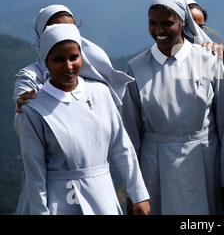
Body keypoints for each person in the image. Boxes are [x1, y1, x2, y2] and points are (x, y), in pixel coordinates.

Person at [16, 24, 150, 215]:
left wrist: (138, 194)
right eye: (58, 59)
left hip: (102, 196)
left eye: (73, 57)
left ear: (82, 57)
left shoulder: (101, 93)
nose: (68, 66)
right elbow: (34, 172)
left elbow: (122, 147)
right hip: (59, 201)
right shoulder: (33, 108)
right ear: (45, 62)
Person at [120, 0, 224, 215]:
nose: (159, 30)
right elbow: (130, 137)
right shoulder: (137, 67)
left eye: (167, 23)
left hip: (204, 164)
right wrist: (134, 190)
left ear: (182, 22)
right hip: (155, 167)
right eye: (153, 23)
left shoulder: (209, 61)